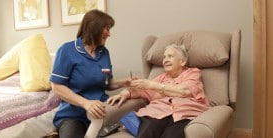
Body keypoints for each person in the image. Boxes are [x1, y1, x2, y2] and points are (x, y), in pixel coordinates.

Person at [50, 9, 131, 138]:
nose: (109, 34)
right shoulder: (67, 50)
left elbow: (107, 83)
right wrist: (86, 103)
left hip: (102, 112)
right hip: (74, 116)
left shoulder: (104, 52)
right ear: (94, 28)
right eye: (107, 29)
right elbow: (57, 87)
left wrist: (125, 82)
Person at [107, 44, 210, 138]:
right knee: (147, 131)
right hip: (158, 113)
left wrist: (152, 85)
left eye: (170, 56)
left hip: (184, 114)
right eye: (164, 57)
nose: (165, 60)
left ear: (182, 61)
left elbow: (184, 91)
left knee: (172, 135)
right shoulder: (161, 77)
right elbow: (141, 90)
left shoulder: (193, 73)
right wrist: (124, 93)